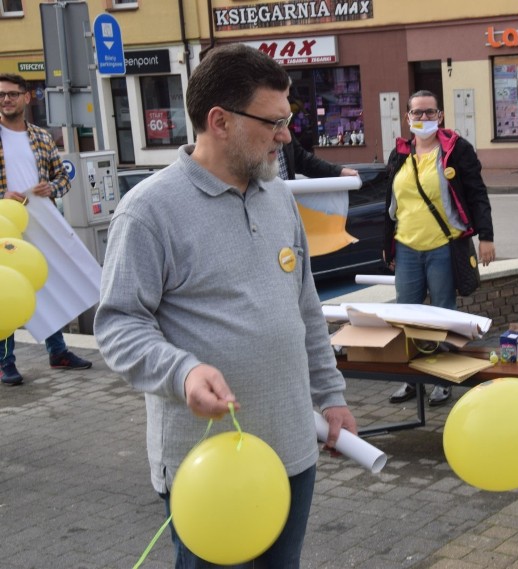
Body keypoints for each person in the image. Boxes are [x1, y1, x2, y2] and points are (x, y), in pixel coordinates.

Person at [93, 44, 357, 568]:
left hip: (292, 450)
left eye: (288, 121)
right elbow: (119, 325)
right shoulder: (147, 212)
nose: (286, 135)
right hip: (206, 465)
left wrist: (331, 396)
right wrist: (183, 372)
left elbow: (305, 308)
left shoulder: (278, 195)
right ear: (220, 121)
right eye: (274, 122)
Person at [382, 90, 495, 406]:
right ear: (407, 117)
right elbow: (389, 204)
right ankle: (411, 380)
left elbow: (476, 194)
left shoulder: (457, 150)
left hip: (443, 246)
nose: (423, 118)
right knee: (407, 314)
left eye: (429, 113)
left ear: (440, 116)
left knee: (442, 313)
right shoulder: (400, 153)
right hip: (406, 246)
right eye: (416, 113)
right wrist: (386, 246)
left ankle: (442, 380)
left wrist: (486, 236)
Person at [0, 73, 92, 386]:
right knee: (7, 292)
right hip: (4, 227)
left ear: (26, 97)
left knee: (46, 286)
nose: (6, 100)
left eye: (12, 94)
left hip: (40, 223)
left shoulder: (41, 136)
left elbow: (63, 179)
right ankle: (5, 362)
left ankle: (58, 351)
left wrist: (49, 187)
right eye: (1, 95)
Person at [276, 135, 358, 181]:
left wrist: (339, 171)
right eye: (278, 122)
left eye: (286, 122)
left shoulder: (284, 135)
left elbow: (303, 160)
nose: (288, 138)